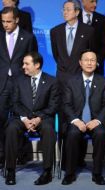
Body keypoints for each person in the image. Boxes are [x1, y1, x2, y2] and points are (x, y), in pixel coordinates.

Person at [4, 51, 59, 185]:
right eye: (23, 63)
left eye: (26, 64)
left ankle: (47, 171)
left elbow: (54, 105)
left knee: (48, 129)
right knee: (11, 128)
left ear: (37, 65)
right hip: (22, 118)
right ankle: (10, 170)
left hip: (43, 118)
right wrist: (25, 119)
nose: (23, 66)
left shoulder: (52, 81)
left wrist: (39, 118)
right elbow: (14, 103)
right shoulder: (18, 80)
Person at [61, 50, 105, 185]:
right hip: (76, 121)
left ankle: (97, 173)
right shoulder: (71, 82)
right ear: (80, 63)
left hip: (96, 121)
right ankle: (70, 173)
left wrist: (97, 120)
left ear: (97, 63)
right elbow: (66, 105)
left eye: (93, 60)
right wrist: (76, 121)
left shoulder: (104, 82)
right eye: (86, 60)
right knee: (72, 133)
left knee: (101, 133)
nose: (89, 63)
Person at [50, 0, 95, 140]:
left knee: (80, 117)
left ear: (77, 12)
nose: (65, 12)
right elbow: (57, 55)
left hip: (80, 79)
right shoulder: (55, 31)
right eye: (63, 9)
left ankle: (79, 158)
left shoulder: (88, 31)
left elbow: (90, 54)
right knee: (63, 116)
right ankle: (64, 157)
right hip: (62, 80)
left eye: (68, 9)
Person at [0, 6, 37, 164]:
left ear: (17, 20)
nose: (5, 25)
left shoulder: (28, 37)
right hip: (2, 84)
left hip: (21, 84)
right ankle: (2, 155)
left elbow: (33, 60)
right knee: (1, 119)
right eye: (3, 22)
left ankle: (22, 154)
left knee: (20, 120)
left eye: (9, 21)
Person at [78, 0, 105, 75]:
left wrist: (96, 62)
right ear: (83, 2)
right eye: (92, 1)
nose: (95, 4)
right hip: (76, 68)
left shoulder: (103, 19)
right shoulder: (75, 17)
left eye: (96, 2)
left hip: (96, 69)